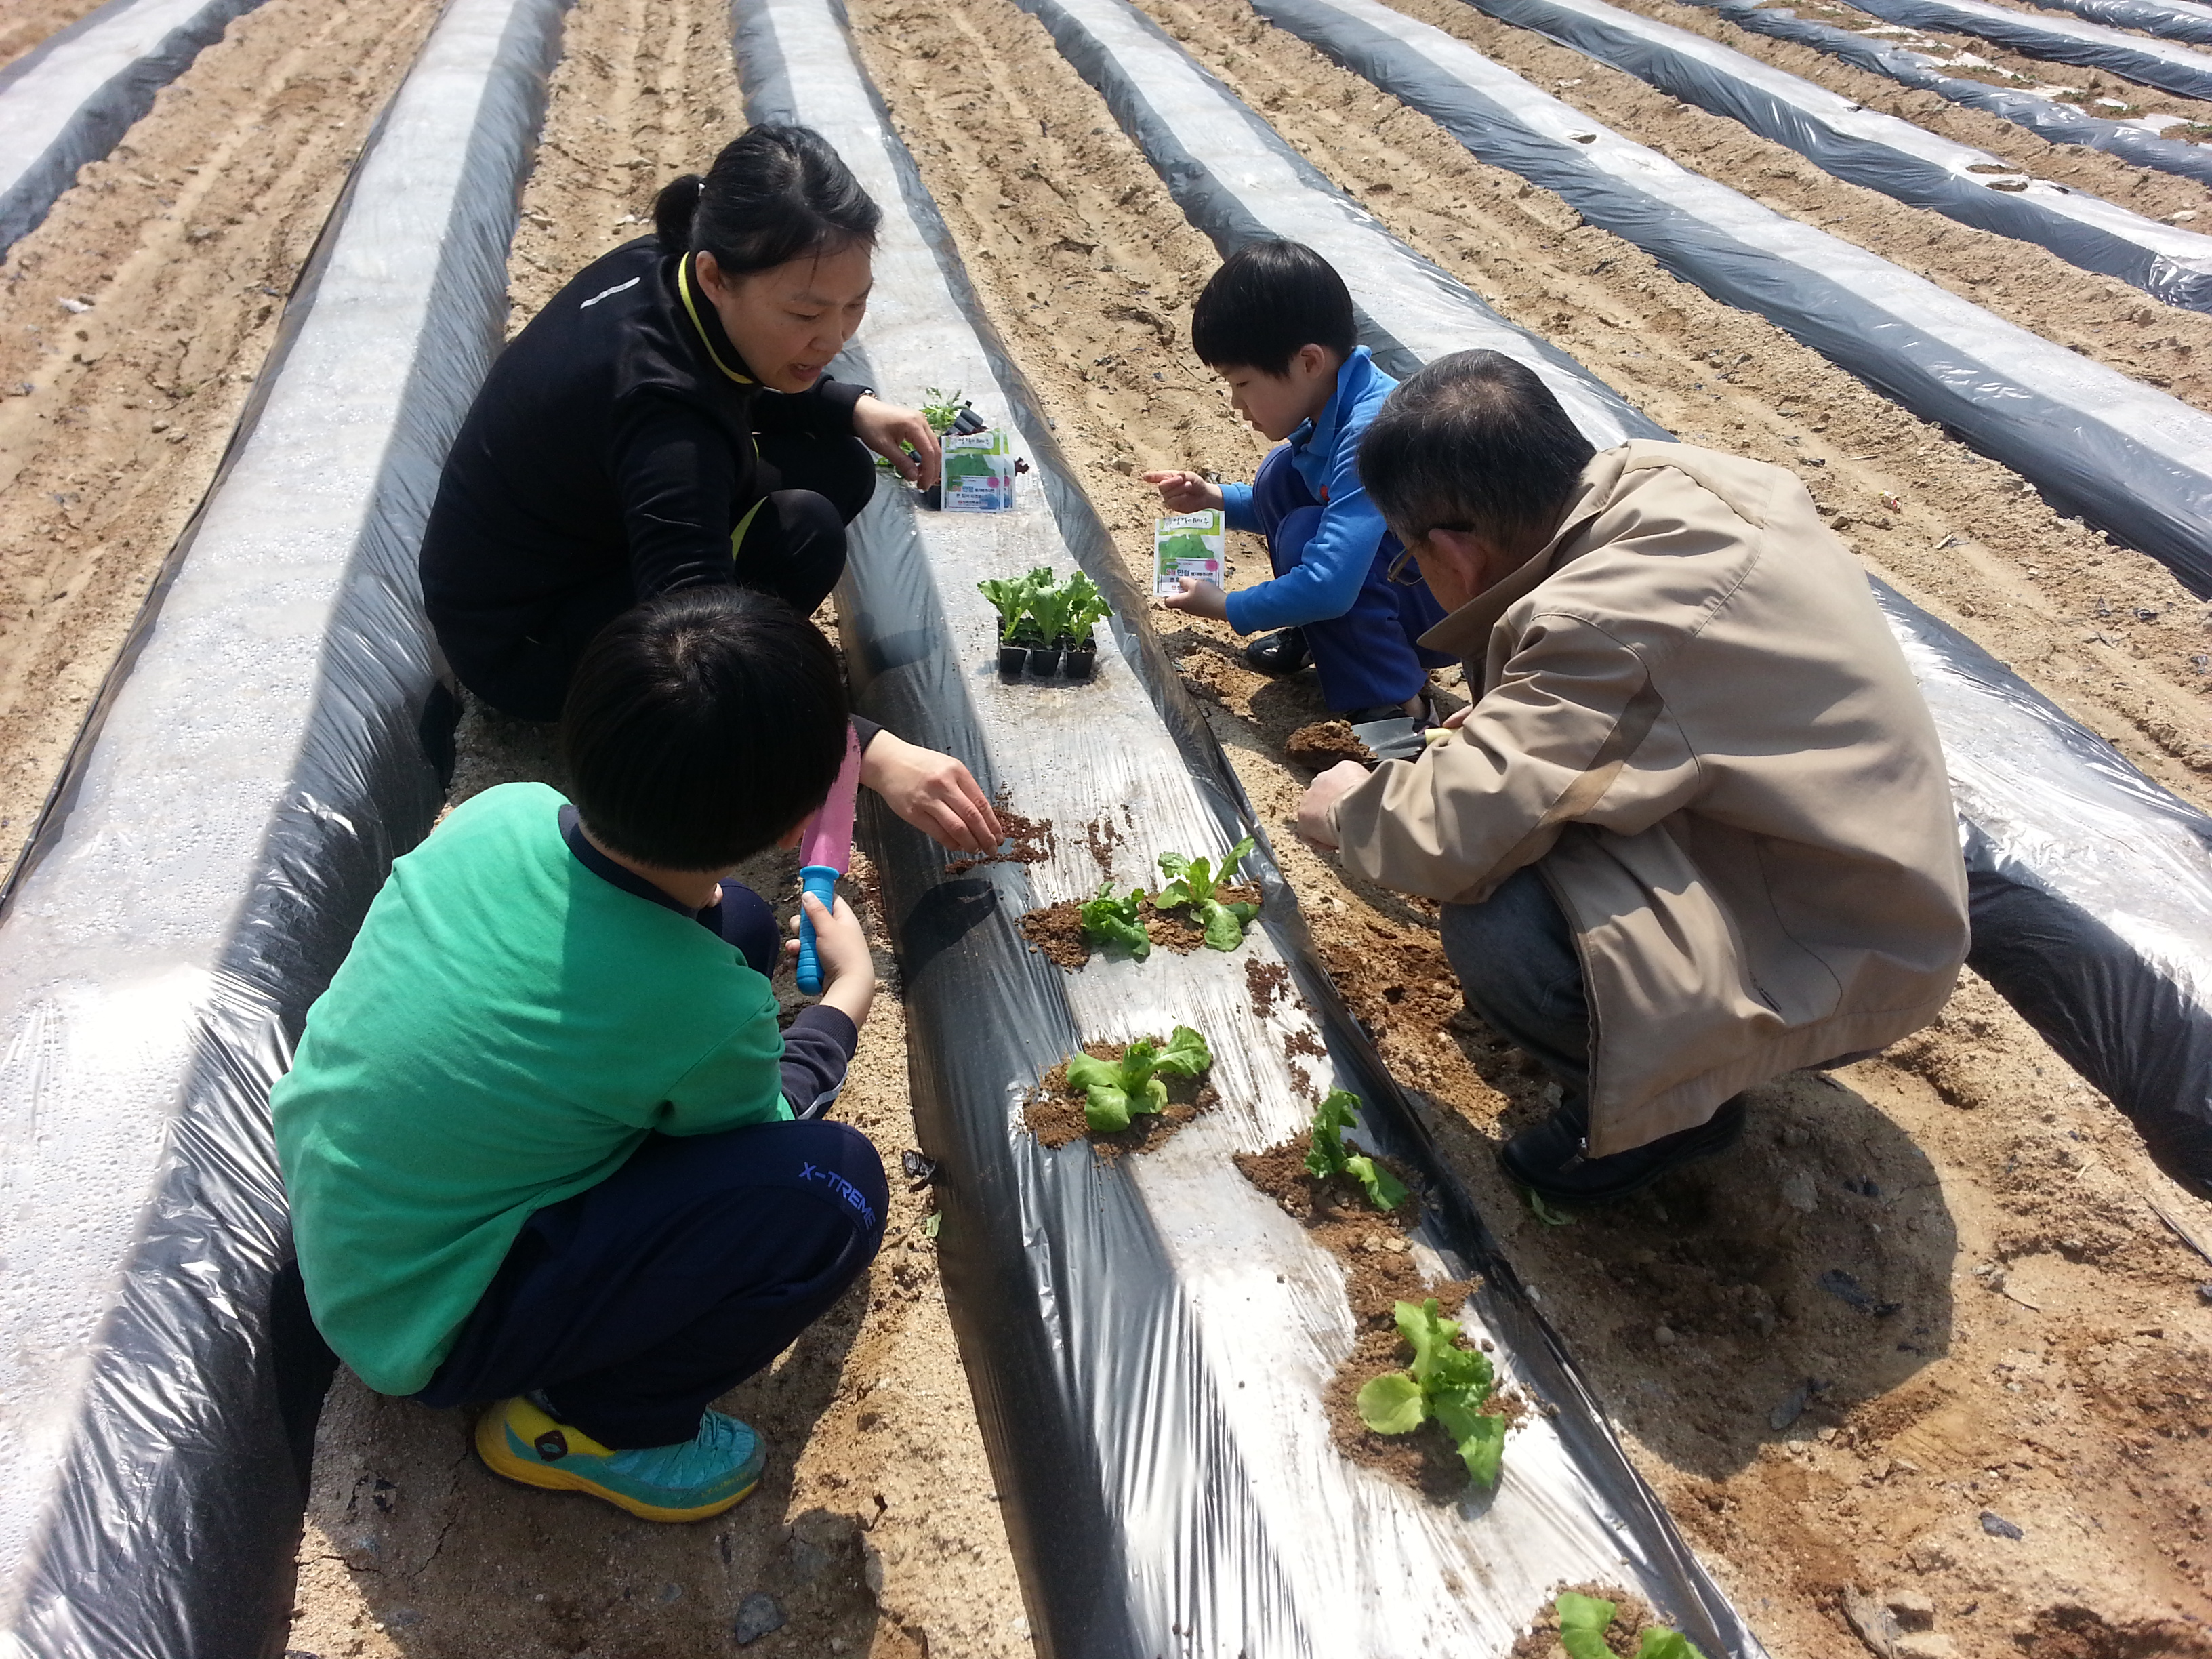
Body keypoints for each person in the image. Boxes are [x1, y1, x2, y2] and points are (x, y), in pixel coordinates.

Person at [1296, 350, 1969, 1204]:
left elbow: (1449, 837)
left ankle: (1672, 1113)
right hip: (1847, 860)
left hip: (1854, 943)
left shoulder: (1599, 621)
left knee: (1502, 921)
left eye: (1409, 559)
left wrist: (1352, 808)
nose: (1415, 578)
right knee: (1543, 815)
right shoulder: (1674, 484)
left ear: (1453, 547)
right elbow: (1671, 697)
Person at [274, 588, 886, 1522]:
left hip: (363, 1217)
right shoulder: (700, 1007)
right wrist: (844, 1001)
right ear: (790, 827)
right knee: (834, 1189)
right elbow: (772, 1132)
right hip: (432, 1321)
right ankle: (595, 1425)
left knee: (743, 924)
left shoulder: (500, 813)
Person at [418, 123, 1000, 855]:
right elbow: (687, 627)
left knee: (839, 462)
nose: (834, 337)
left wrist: (847, 404)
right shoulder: (664, 417)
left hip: (565, 553)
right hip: (524, 644)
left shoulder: (663, 268)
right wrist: (870, 752)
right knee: (804, 535)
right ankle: (692, 742)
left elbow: (732, 376)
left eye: (854, 305)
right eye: (806, 313)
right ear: (718, 276)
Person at [1143, 240, 1454, 724]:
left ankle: (1398, 705)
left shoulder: (1374, 430)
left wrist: (1228, 606)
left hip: (1450, 610)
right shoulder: (1340, 402)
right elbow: (1300, 502)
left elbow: (1331, 584)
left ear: (1309, 362)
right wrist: (1214, 497)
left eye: (1243, 384)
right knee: (1281, 476)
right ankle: (1320, 636)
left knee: (1314, 540)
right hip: (1416, 581)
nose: (1235, 404)